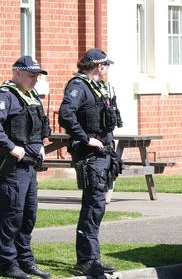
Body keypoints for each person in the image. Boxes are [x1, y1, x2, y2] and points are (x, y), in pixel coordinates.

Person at [58, 48, 123, 276]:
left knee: (98, 207)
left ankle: (92, 257)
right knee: (93, 207)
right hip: (90, 157)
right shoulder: (78, 86)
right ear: (99, 66)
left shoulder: (97, 88)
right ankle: (86, 260)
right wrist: (86, 139)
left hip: (103, 156)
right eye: (105, 66)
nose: (106, 70)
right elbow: (65, 115)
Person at [0, 56, 52, 279]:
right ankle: (7, 263)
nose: (35, 80)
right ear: (17, 73)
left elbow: (39, 127)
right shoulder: (6, 95)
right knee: (13, 215)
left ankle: (25, 260)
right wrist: (11, 147)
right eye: (31, 75)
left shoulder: (31, 96)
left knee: (29, 215)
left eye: (37, 76)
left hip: (30, 167)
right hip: (12, 168)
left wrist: (40, 145)